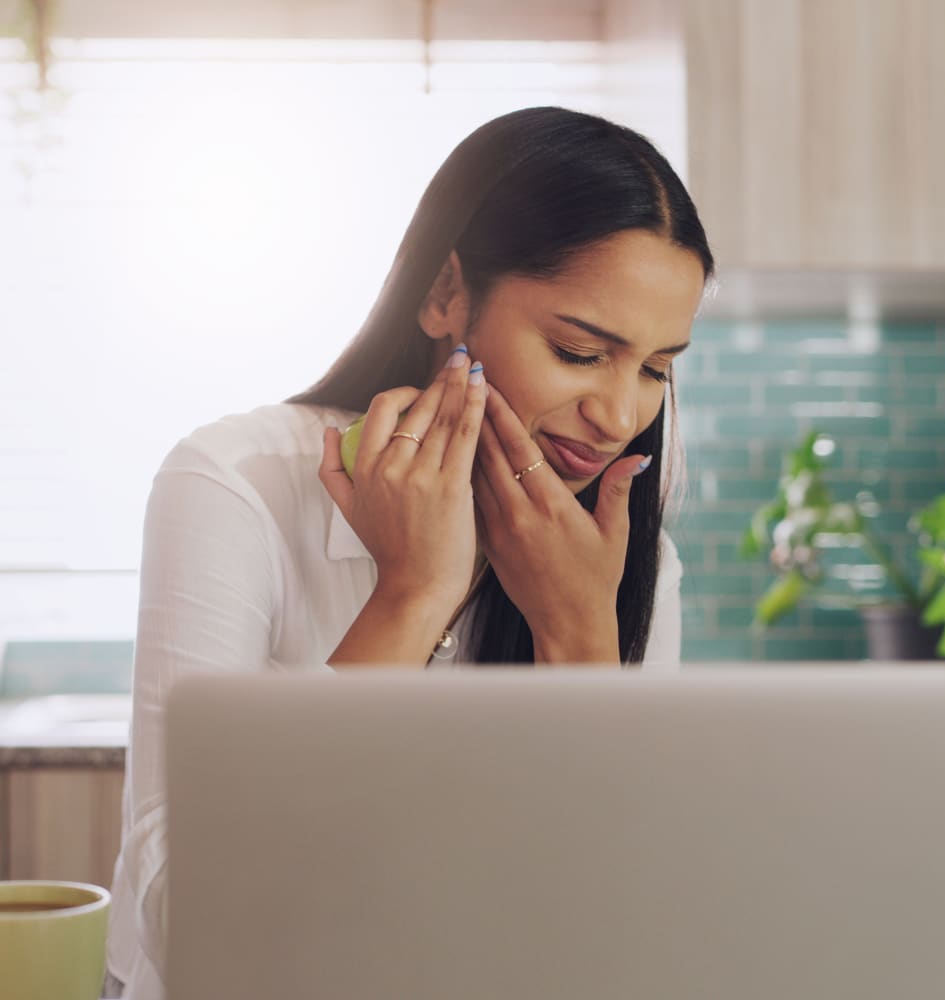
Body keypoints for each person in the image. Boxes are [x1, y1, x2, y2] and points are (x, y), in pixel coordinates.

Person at [105, 105, 714, 998]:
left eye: (658, 369)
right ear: (445, 294)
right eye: (580, 351)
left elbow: (620, 932)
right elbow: (190, 918)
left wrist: (579, 638)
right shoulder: (234, 484)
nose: (622, 416)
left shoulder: (622, 557)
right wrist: (412, 597)